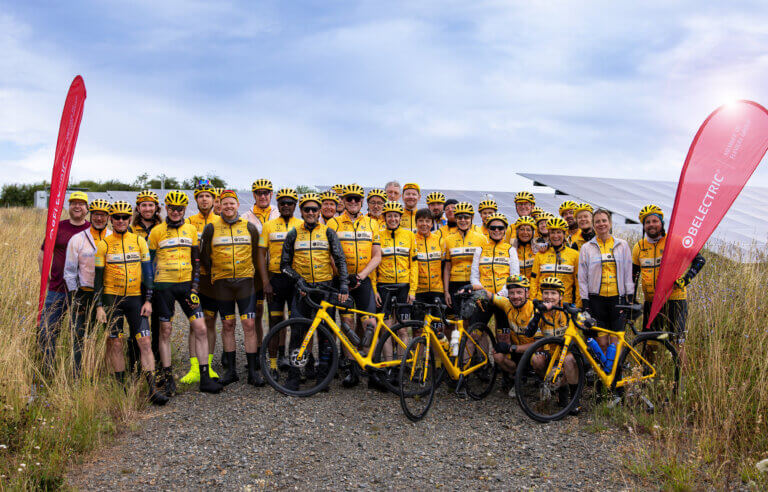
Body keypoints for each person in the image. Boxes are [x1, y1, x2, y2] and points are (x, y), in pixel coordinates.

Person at [148, 191, 223, 396]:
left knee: (200, 328)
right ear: (165, 208)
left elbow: (196, 262)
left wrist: (195, 288)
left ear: (185, 209)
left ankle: (204, 377)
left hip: (187, 287)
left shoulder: (190, 229)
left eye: (179, 209)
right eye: (171, 208)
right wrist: (150, 293)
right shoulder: (156, 232)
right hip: (164, 287)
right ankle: (168, 377)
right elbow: (149, 265)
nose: (175, 212)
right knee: (165, 331)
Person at [93, 201, 168, 405]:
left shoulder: (139, 241)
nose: (120, 221)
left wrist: (148, 300)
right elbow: (97, 279)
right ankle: (121, 389)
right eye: (116, 217)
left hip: (136, 299)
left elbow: (148, 274)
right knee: (115, 343)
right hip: (111, 299)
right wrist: (99, 306)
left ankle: (152, 389)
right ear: (111, 219)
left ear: (129, 219)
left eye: (124, 217)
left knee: (144, 341)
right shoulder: (104, 244)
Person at [280, 192, 349, 391]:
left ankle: (323, 375)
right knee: (298, 333)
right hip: (302, 289)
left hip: (324, 288)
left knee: (325, 333)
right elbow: (284, 264)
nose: (310, 212)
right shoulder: (293, 233)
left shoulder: (328, 232)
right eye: (306, 209)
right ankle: (294, 375)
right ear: (301, 211)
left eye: (314, 209)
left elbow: (340, 260)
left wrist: (343, 284)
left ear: (319, 212)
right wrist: (298, 280)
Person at [200, 190, 266, 386]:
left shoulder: (250, 227)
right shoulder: (211, 228)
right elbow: (204, 255)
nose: (228, 207)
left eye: (232, 203)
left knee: (249, 325)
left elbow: (257, 254)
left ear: (238, 205)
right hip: (222, 284)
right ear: (219, 206)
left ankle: (253, 371)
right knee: (228, 325)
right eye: (225, 204)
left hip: (246, 282)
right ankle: (231, 371)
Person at [327, 184, 382, 387]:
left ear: (362, 201)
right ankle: (352, 370)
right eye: (349, 198)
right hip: (342, 282)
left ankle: (372, 369)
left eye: (356, 199)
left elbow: (377, 255)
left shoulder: (371, 224)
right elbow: (331, 255)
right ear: (343, 200)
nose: (352, 202)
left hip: (363, 280)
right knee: (348, 325)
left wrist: (361, 275)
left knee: (370, 325)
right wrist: (344, 277)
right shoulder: (333, 223)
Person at [632, 204, 705, 346]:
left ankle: (681, 369)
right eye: (647, 222)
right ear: (643, 225)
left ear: (661, 222)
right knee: (650, 344)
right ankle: (648, 369)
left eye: (655, 221)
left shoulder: (675, 241)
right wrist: (631, 300)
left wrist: (686, 279)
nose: (651, 225)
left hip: (675, 300)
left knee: (678, 344)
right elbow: (633, 277)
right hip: (652, 303)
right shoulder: (639, 247)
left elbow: (700, 260)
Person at [38, 191, 91, 371]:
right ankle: (48, 370)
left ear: (87, 208)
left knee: (78, 334)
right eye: (73, 203)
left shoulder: (92, 229)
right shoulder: (57, 227)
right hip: (57, 289)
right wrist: (45, 280)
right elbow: (43, 254)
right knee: (47, 331)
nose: (77, 206)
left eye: (81, 204)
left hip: (82, 292)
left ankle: (75, 373)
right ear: (68, 207)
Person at [259, 188, 303, 381]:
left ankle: (295, 366)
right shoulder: (268, 226)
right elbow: (260, 256)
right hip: (276, 280)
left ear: (295, 206)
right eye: (282, 203)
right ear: (278, 205)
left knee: (297, 325)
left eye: (289, 203)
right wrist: (265, 282)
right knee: (275, 323)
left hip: (296, 282)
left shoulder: (302, 224)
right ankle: (273, 366)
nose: (286, 206)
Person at [63, 198, 112, 374]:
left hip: (109, 293)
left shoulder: (112, 237)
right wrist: (75, 296)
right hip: (84, 292)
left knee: (111, 336)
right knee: (81, 336)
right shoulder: (77, 239)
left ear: (108, 217)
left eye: (103, 215)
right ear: (91, 215)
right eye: (96, 214)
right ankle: (78, 373)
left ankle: (108, 372)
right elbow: (69, 271)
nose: (99, 218)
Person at [181, 182, 221, 384]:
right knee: (193, 323)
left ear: (214, 200)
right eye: (201, 196)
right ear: (196, 199)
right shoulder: (187, 222)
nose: (204, 199)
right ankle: (194, 368)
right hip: (193, 280)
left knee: (211, 322)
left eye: (208, 196)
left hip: (213, 280)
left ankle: (209, 366)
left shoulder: (220, 221)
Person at [578, 209, 634, 349]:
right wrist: (585, 302)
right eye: (597, 221)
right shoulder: (586, 248)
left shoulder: (622, 245)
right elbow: (583, 277)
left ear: (609, 223)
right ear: (593, 224)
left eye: (604, 220)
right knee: (602, 343)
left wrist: (630, 298)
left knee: (615, 344)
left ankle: (616, 371)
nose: (601, 224)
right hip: (597, 300)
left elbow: (628, 273)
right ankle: (605, 371)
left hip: (617, 299)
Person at [375, 201, 418, 372]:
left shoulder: (409, 235)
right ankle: (388, 365)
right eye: (389, 216)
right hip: (384, 286)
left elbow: (414, 265)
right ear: (384, 217)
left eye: (396, 216)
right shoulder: (378, 235)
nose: (392, 219)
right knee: (386, 328)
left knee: (403, 329)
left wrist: (412, 290)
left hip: (403, 287)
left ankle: (401, 365)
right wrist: (374, 289)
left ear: (401, 218)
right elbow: (374, 264)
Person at [242, 179, 278, 376]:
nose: (263, 196)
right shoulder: (245, 217)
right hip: (255, 271)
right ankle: (255, 352)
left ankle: (278, 354)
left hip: (276, 269)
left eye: (266, 193)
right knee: (256, 311)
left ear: (271, 195)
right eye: (259, 193)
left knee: (277, 314)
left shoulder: (279, 214)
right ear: (253, 195)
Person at [129, 189, 163, 370]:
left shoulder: (163, 227)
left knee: (158, 324)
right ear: (138, 207)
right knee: (137, 324)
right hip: (137, 282)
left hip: (159, 282)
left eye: (151, 205)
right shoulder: (130, 228)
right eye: (144, 205)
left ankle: (155, 363)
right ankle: (134, 363)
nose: (147, 208)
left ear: (156, 208)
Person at [490, 275, 540, 392]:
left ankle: (543, 380)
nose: (515, 296)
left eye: (519, 292)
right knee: (497, 355)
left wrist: (511, 348)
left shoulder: (535, 310)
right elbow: (490, 296)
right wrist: (471, 288)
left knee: (538, 360)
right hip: (517, 352)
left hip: (533, 351)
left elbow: (539, 345)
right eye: (511, 293)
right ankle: (517, 376)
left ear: (527, 293)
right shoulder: (507, 304)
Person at [443, 202, 487, 313]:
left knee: (473, 320)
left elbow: (485, 266)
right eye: (459, 217)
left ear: (472, 218)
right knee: (456, 320)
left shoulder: (481, 238)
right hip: (455, 283)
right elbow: (447, 268)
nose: (463, 220)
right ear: (456, 219)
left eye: (466, 217)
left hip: (473, 284)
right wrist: (446, 291)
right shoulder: (448, 239)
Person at [530, 217, 580, 306]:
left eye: (559, 232)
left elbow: (578, 282)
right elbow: (534, 280)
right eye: (552, 232)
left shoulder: (575, 255)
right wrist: (533, 301)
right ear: (548, 235)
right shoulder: (540, 254)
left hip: (565, 302)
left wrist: (578, 304)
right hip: (542, 301)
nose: (555, 236)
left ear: (564, 234)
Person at [470, 213, 520, 297]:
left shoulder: (511, 250)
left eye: (500, 228)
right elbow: (474, 277)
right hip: (483, 296)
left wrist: (501, 294)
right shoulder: (480, 250)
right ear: (488, 229)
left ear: (505, 230)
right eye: (493, 228)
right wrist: (484, 293)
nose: (496, 230)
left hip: (504, 297)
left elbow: (514, 276)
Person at [413, 208, 445, 303]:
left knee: (437, 318)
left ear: (432, 224)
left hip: (437, 290)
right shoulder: (411, 240)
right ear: (416, 223)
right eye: (421, 221)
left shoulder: (440, 240)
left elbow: (444, 266)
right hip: (418, 290)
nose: (424, 224)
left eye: (427, 221)